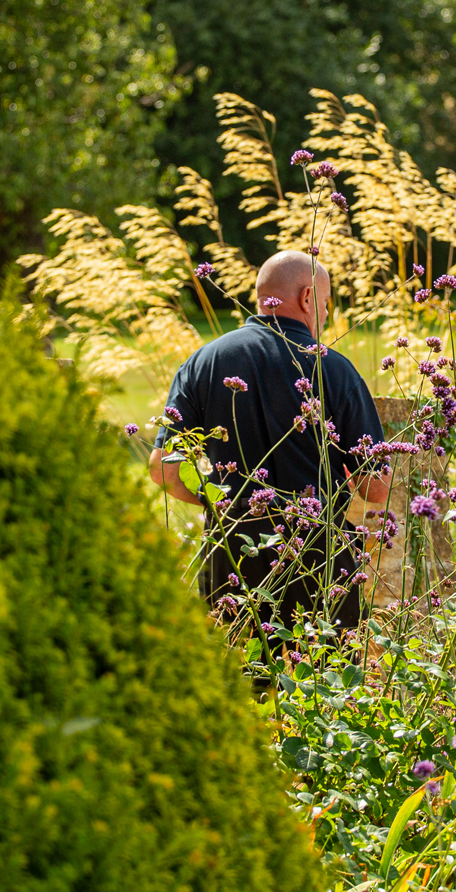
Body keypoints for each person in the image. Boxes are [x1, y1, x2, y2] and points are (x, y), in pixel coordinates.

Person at [151, 250, 390, 638]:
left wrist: (221, 503)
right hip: (317, 557)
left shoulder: (202, 362)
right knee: (324, 672)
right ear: (308, 298)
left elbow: (162, 470)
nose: (326, 315)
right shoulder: (334, 369)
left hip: (231, 556)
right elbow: (376, 489)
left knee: (238, 667)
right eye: (326, 303)